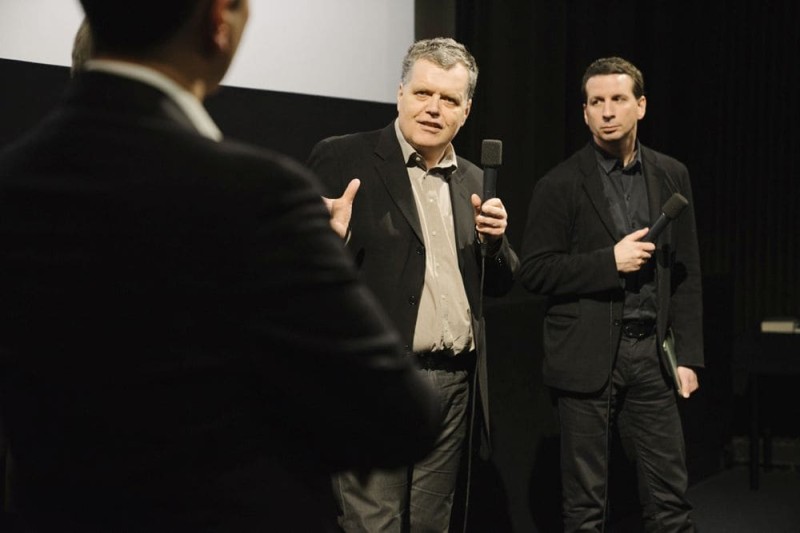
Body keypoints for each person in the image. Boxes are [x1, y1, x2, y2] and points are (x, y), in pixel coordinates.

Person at [0, 1, 444, 531]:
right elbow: (398, 416)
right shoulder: (257, 195)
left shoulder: (14, 182)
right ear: (218, 24)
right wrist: (320, 265)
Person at [307, 37, 519, 532]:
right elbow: (293, 274)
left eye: (448, 99)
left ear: (465, 111)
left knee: (431, 524)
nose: (433, 108)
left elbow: (503, 282)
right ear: (400, 93)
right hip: (374, 381)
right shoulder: (344, 158)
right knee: (373, 524)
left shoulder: (471, 178)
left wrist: (497, 243)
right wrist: (322, 243)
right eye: (423, 92)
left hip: (453, 385)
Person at [519, 56, 704, 532]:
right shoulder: (559, 184)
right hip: (586, 357)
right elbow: (535, 271)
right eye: (596, 102)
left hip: (651, 357)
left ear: (640, 106)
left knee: (671, 500)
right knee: (585, 508)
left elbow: (687, 271)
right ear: (584, 113)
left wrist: (687, 357)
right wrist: (609, 263)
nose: (607, 111)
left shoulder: (671, 175)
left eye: (618, 99)